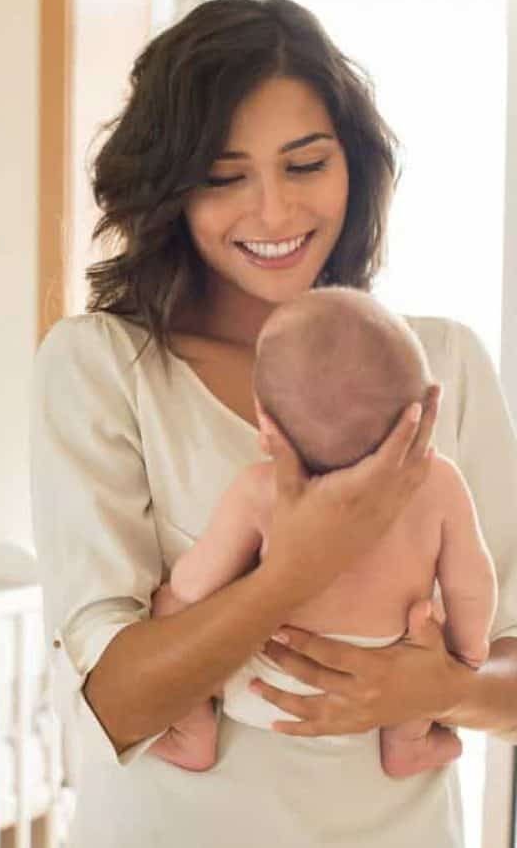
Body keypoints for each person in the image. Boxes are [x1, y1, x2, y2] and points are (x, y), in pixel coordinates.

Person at [29, 0, 517, 845]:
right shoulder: (101, 365)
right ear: (171, 189)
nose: (274, 212)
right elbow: (114, 700)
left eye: (305, 164)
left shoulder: (444, 367)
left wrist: (424, 691)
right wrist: (294, 570)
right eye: (224, 177)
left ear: (353, 165)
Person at [147, 287, 497, 779]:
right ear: (420, 410)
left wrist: (173, 597)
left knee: (169, 612)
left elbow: (193, 584)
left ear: (265, 423)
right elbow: (471, 580)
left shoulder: (260, 492)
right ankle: (408, 744)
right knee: (427, 627)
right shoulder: (436, 483)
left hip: (264, 688)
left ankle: (193, 732)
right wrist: (465, 653)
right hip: (386, 682)